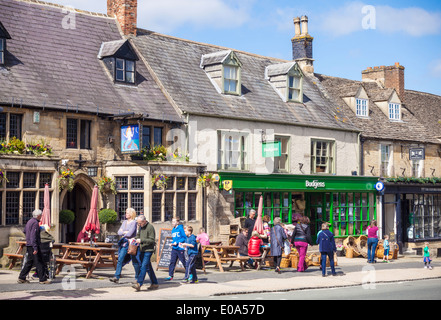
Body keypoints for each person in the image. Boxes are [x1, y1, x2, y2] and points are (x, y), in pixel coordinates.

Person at [18, 210, 51, 284]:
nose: (42, 217)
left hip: (29, 244)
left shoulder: (29, 221)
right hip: (33, 245)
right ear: (38, 216)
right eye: (41, 215)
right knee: (39, 262)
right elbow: (33, 236)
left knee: (29, 262)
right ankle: (43, 279)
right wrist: (35, 247)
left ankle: (22, 277)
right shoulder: (35, 223)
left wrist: (28, 239)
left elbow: (25, 231)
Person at [110, 208, 138, 283]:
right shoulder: (124, 222)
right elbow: (119, 232)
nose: (126, 214)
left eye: (127, 213)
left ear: (131, 214)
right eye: (126, 213)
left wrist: (124, 232)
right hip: (124, 244)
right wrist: (125, 232)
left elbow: (130, 233)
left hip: (131, 244)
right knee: (120, 260)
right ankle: (116, 276)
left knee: (135, 262)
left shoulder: (134, 222)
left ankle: (137, 278)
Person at [131, 215, 158, 291]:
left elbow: (152, 240)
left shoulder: (150, 227)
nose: (139, 225)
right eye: (138, 223)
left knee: (143, 266)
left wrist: (141, 240)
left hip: (148, 250)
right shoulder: (140, 227)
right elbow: (138, 236)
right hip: (142, 249)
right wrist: (134, 239)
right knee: (148, 268)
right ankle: (155, 283)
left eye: (140, 223)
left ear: (144, 221)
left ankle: (139, 283)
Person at [165, 217, 187, 281]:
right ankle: (170, 275)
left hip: (180, 248)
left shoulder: (180, 229)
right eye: (172, 222)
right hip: (174, 248)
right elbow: (174, 239)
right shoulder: (173, 230)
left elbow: (184, 238)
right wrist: (172, 243)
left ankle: (190, 273)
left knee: (183, 261)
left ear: (177, 222)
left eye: (174, 222)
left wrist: (177, 242)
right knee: (172, 261)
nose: (172, 223)